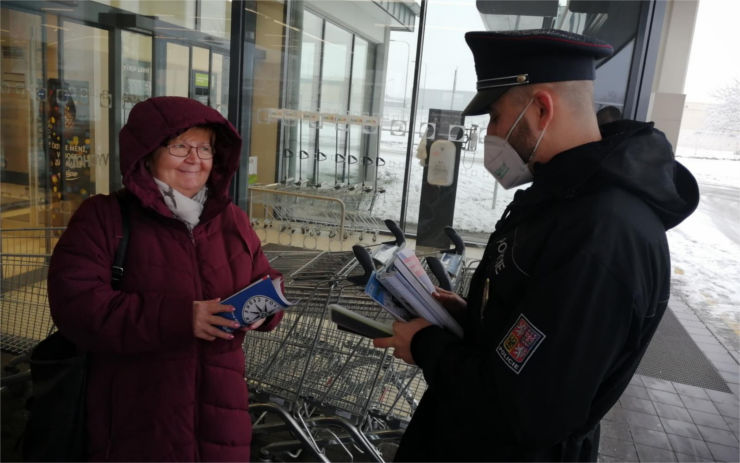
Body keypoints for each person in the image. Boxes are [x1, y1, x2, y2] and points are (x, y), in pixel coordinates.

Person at [374, 29, 699, 462]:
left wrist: (427, 346)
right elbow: (537, 332)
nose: (490, 135)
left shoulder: (602, 234)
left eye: (494, 116)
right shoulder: (563, 201)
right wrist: (473, 319)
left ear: (541, 108)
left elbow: (529, 409)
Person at [47, 96, 284, 461]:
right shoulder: (105, 218)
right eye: (180, 146)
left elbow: (264, 275)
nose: (195, 158)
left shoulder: (231, 219)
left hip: (222, 415)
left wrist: (265, 310)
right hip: (138, 419)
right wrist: (181, 318)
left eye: (204, 147)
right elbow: (77, 306)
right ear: (147, 152)